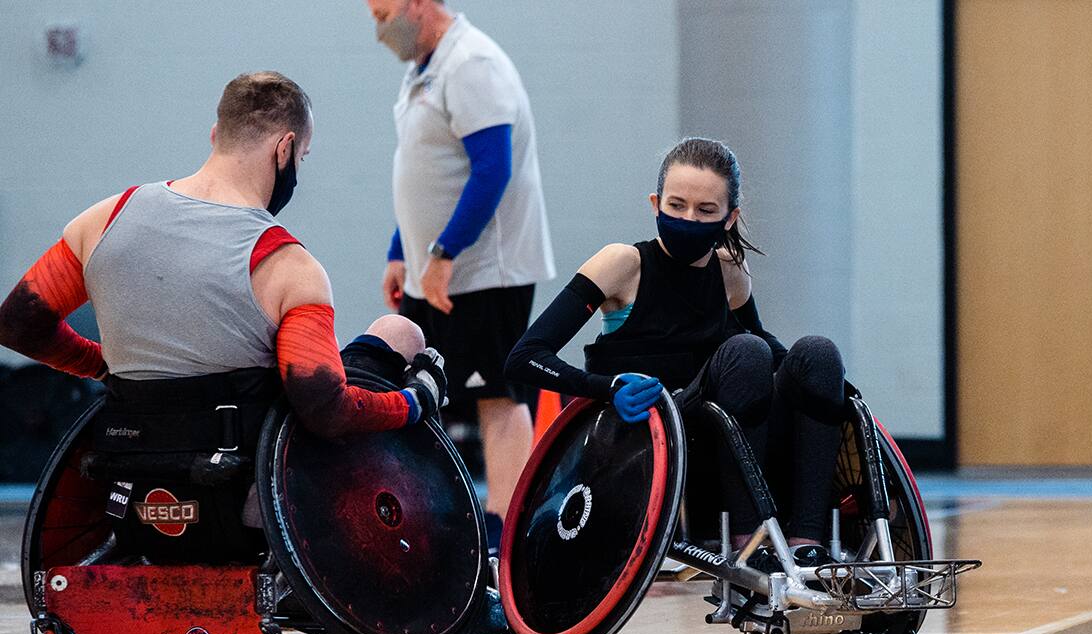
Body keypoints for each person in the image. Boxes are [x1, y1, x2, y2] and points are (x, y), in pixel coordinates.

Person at [0, 71, 449, 549]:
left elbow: (17, 325)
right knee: (399, 332)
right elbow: (325, 410)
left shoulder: (102, 220)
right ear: (285, 149)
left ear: (216, 136)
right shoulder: (287, 265)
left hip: (129, 495)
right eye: (302, 158)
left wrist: (101, 366)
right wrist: (415, 401)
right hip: (250, 509)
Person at [506, 137, 847, 567]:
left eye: (706, 211)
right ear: (655, 203)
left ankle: (806, 540)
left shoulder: (730, 271)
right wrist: (605, 387)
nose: (689, 218)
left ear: (730, 217)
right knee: (745, 351)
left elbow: (770, 350)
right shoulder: (622, 263)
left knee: (817, 352)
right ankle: (749, 538)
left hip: (719, 426)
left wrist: (827, 382)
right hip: (646, 428)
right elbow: (525, 356)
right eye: (677, 205)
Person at [368, 0, 556, 545]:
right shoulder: (422, 70)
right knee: (424, 382)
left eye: (383, 14)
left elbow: (492, 168)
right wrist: (401, 250)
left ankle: (509, 533)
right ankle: (452, 525)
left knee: (498, 394)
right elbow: (425, 171)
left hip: (484, 269)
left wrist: (446, 253)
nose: (378, 29)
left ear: (420, 5)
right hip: (438, 264)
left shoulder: (472, 64)